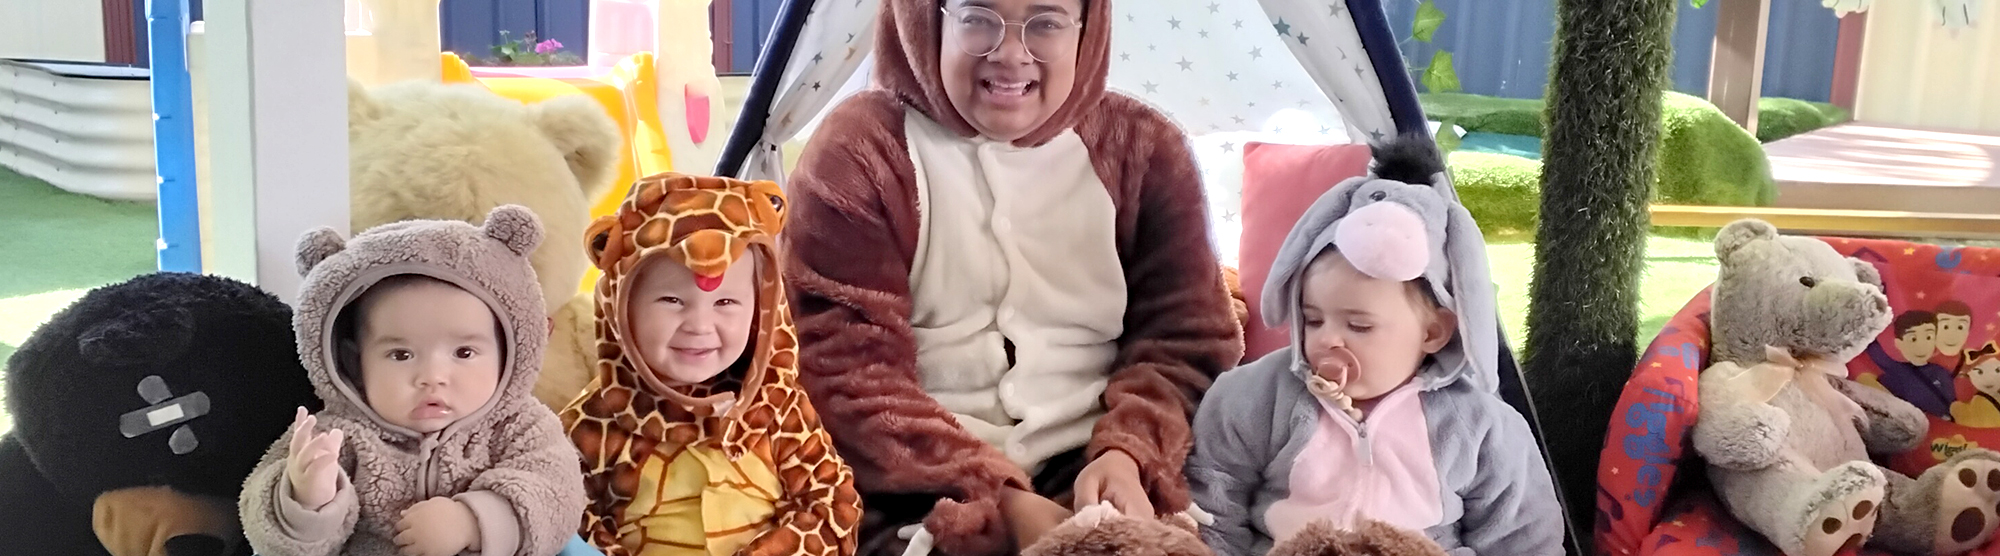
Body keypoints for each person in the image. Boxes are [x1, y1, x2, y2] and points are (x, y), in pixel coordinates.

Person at [781, 0, 1243, 554]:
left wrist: (1128, 452)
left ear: (1087, 30)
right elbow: (843, 367)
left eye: (1045, 23)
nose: (1010, 53)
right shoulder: (861, 148)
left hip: (1101, 472)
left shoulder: (1145, 149)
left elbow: (1187, 341)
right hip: (918, 491)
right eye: (978, 18)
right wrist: (1002, 501)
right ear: (928, 19)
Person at [1185, 137, 1564, 555]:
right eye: (1313, 319)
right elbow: (1213, 496)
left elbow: (1523, 536)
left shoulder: (1479, 426)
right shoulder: (1255, 396)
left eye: (1359, 326)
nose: (1328, 338)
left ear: (1433, 333)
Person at [240, 206, 588, 556]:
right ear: (353, 361)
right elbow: (262, 526)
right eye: (401, 355)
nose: (432, 378)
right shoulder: (334, 437)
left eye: (464, 352)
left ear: (508, 350)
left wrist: (473, 521)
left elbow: (558, 495)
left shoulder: (522, 427)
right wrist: (306, 502)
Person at [563, 173, 862, 556]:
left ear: (760, 311)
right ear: (621, 307)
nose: (700, 326)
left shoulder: (778, 406)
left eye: (725, 302)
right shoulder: (592, 420)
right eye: (671, 300)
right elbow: (565, 520)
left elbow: (832, 501)